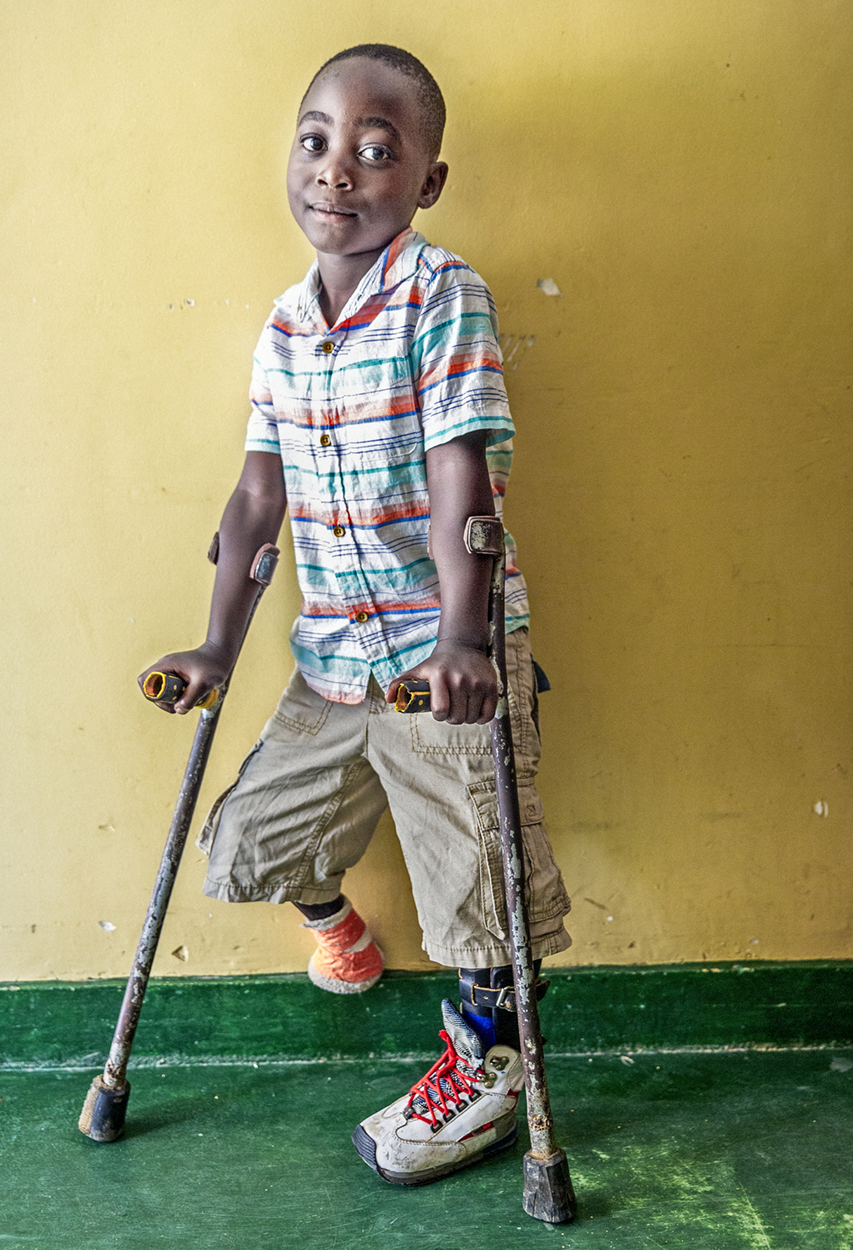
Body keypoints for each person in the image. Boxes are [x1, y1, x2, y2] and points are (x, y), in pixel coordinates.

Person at [142, 43, 571, 1186]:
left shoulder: (443, 293)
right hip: (334, 659)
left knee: (481, 894)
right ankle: (341, 925)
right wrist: (217, 647)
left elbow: (460, 480)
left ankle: (490, 1061)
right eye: (318, 141)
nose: (338, 170)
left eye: (378, 153)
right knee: (245, 843)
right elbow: (254, 496)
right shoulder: (285, 328)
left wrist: (469, 639)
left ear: (425, 182)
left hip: (440, 653)